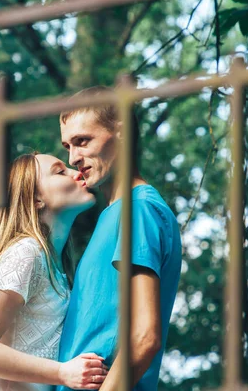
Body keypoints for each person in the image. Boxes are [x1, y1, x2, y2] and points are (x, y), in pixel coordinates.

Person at [56, 86, 182, 391]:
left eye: (82, 141)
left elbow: (144, 337)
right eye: (67, 147)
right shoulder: (114, 214)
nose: (73, 157)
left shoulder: (138, 209)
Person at [0, 153, 109, 391]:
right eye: (60, 171)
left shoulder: (55, 263)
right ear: (36, 199)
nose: (76, 171)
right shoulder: (26, 253)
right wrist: (63, 372)